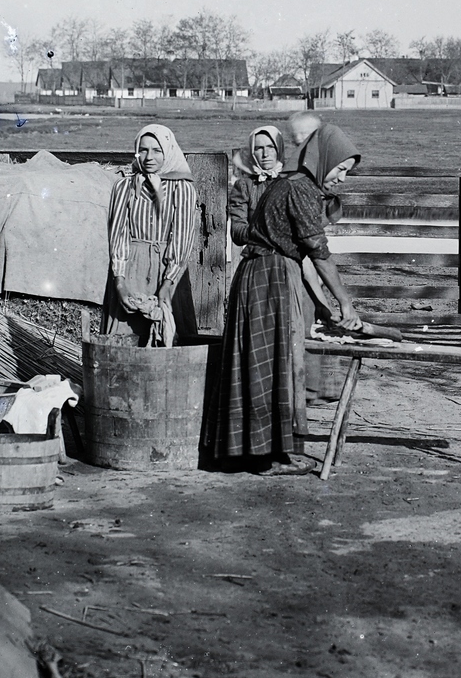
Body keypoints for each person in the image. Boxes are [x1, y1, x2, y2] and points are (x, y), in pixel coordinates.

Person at [212, 123, 363, 474]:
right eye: (340, 169)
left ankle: (274, 451)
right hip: (269, 279)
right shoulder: (300, 190)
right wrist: (346, 303)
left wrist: (324, 304)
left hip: (268, 276)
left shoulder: (290, 184)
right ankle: (263, 458)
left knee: (277, 363)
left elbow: (306, 255)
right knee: (269, 363)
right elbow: (319, 253)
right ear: (323, 160)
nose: (341, 178)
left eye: (347, 173)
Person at [100, 124, 199, 346]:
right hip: (130, 268)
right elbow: (117, 235)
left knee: (168, 336)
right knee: (125, 338)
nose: (149, 157)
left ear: (168, 151)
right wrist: (120, 283)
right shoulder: (124, 186)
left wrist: (167, 284)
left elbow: (182, 239)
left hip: (167, 271)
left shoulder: (182, 189)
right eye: (143, 150)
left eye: (157, 150)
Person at [227, 125, 284, 246]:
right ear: (252, 151)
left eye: (271, 147)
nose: (265, 154)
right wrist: (265, 233)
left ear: (279, 149)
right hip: (258, 255)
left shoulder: (292, 182)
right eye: (259, 148)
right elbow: (237, 232)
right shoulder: (244, 186)